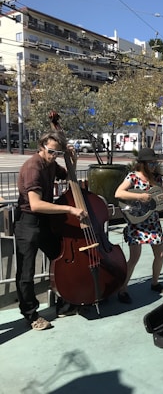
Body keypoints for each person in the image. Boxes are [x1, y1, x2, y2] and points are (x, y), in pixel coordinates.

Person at [15, 131, 87, 331]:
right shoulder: (33, 167)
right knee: (26, 272)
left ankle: (63, 304)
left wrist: (72, 158)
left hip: (45, 222)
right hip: (28, 221)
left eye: (58, 152)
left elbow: (68, 177)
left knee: (59, 258)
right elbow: (36, 204)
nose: (54, 155)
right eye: (51, 152)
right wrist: (69, 209)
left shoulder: (51, 164)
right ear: (41, 147)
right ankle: (30, 315)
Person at [115, 148, 163, 304]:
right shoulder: (133, 177)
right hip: (137, 222)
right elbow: (119, 193)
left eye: (155, 162)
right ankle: (122, 290)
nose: (154, 165)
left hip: (153, 222)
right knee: (134, 257)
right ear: (142, 164)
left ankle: (155, 283)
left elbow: (161, 202)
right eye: (151, 163)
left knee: (160, 255)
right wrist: (139, 196)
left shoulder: (156, 179)